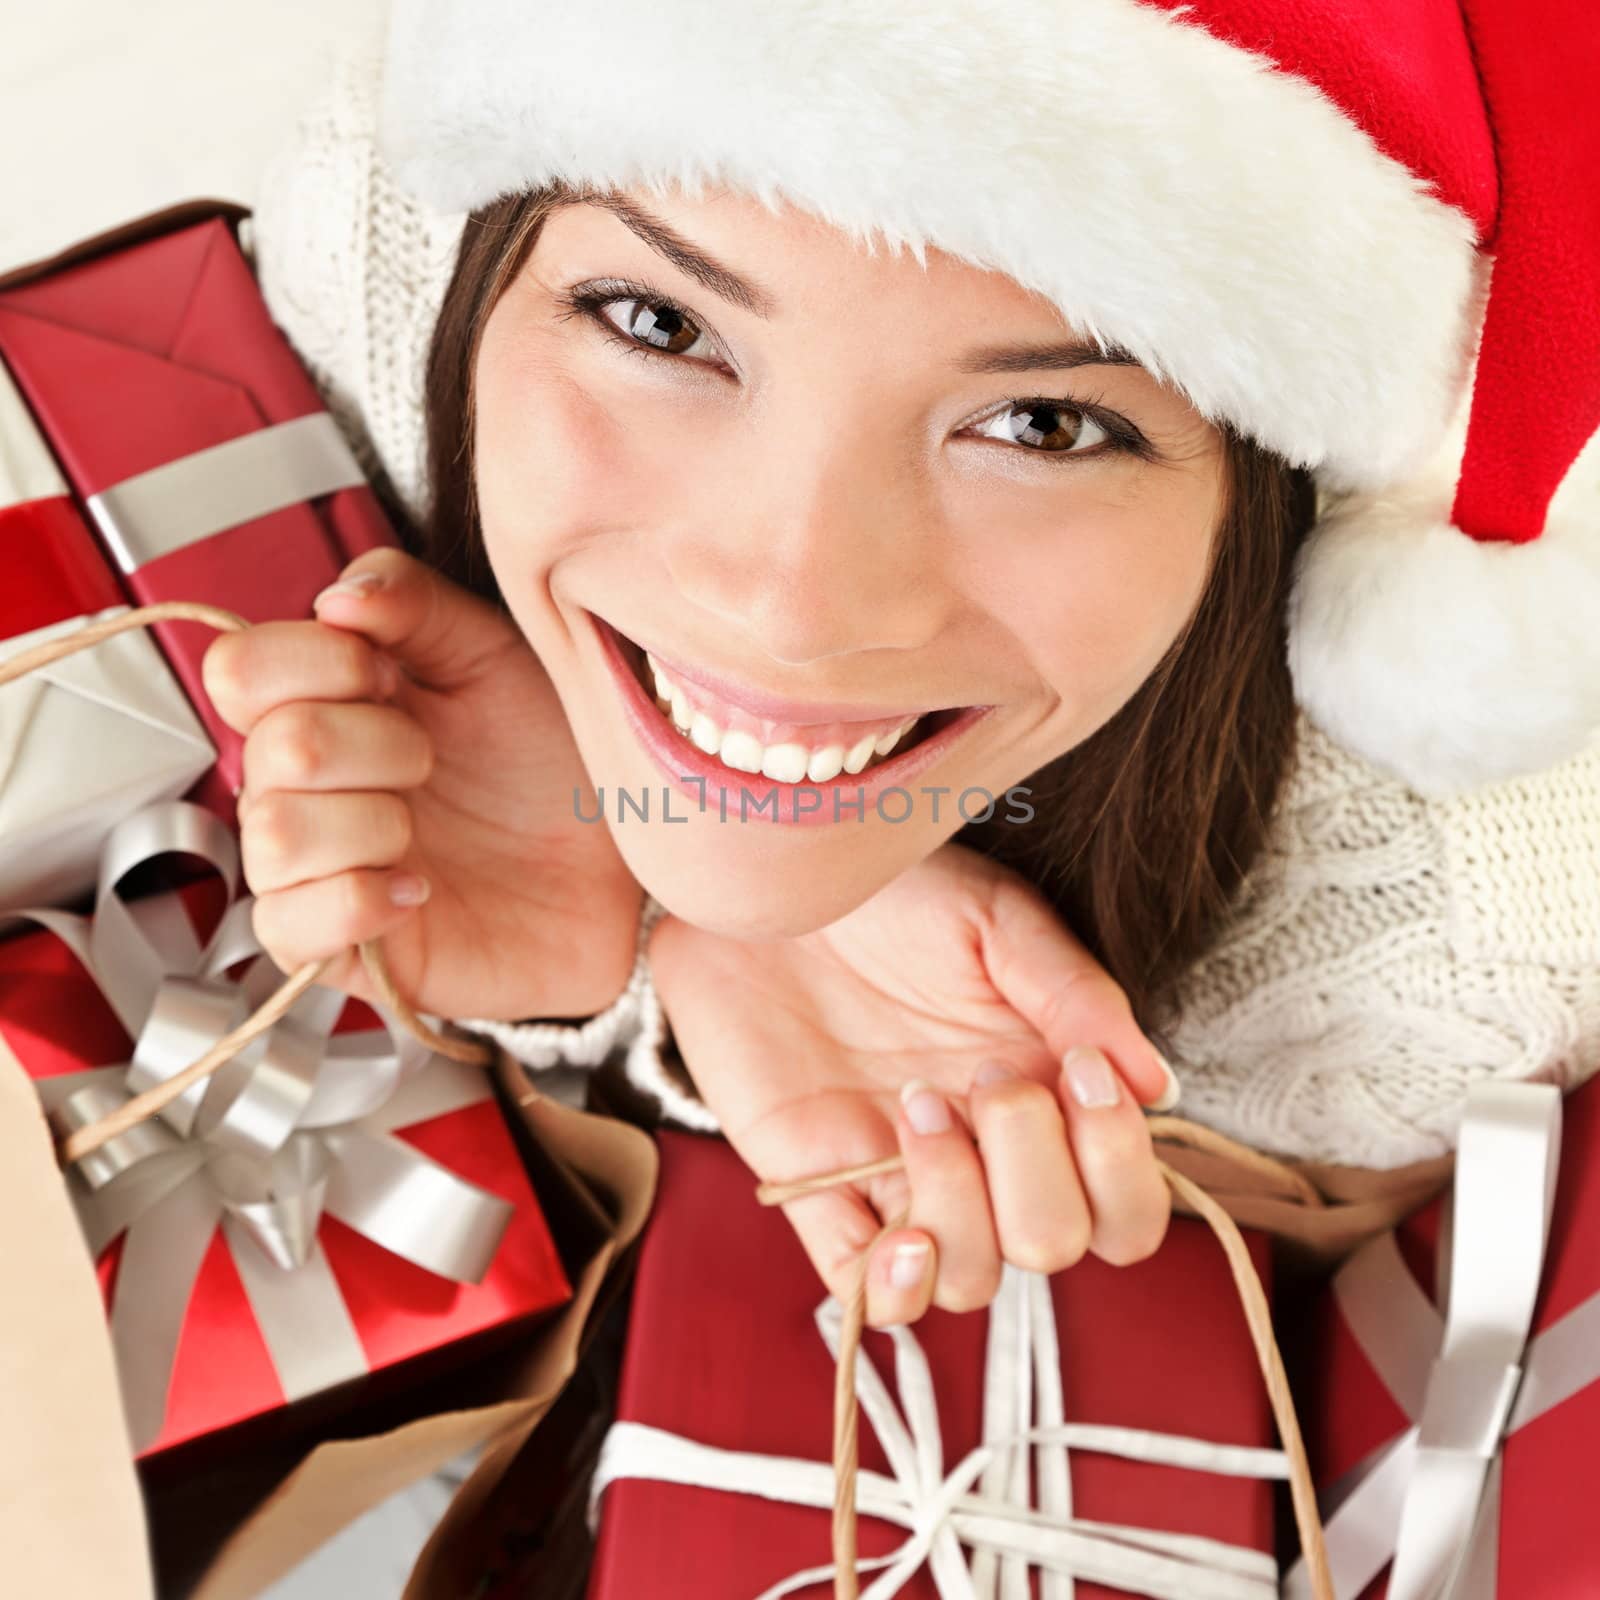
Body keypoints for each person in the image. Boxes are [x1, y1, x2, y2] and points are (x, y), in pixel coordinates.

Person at [214, 0, 1600, 1328]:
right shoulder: (376, 255)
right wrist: (654, 920)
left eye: (1044, 425)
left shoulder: (1462, 937)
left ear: (1270, 494)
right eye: (661, 325)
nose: (793, 609)